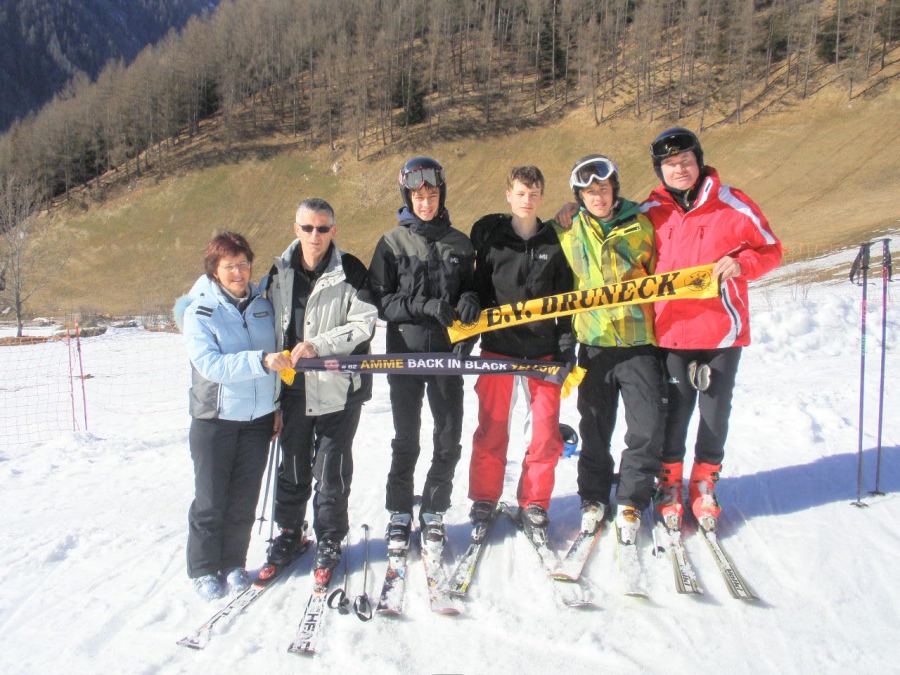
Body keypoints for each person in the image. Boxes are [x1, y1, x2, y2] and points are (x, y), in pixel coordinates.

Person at [642, 127, 781, 531]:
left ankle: (704, 483)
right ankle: (669, 484)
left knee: (715, 411)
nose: (679, 169)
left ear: (699, 161)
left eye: (686, 161)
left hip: (721, 331)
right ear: (660, 171)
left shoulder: (732, 203)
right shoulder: (650, 210)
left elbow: (771, 249)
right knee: (675, 411)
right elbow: (610, 224)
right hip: (672, 331)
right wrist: (570, 212)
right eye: (670, 164)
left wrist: (742, 264)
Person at [368, 156, 479, 551]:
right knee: (407, 438)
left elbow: (473, 292)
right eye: (418, 197)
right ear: (407, 198)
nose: (426, 203)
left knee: (448, 437)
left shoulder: (460, 244)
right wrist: (423, 305)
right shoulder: (392, 243)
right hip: (406, 355)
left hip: (448, 356)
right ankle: (400, 511)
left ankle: (433, 511)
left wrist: (470, 300)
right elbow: (381, 301)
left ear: (441, 195)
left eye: (432, 196)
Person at [553, 155, 665, 545]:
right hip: (595, 344)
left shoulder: (642, 225)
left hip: (638, 342)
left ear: (614, 188)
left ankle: (632, 498)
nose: (597, 197)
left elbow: (666, 271)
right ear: (579, 197)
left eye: (603, 188)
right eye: (589, 192)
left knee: (646, 426)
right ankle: (594, 497)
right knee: (595, 426)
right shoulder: (568, 229)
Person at [262, 198, 377, 575]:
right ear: (296, 229)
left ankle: (330, 537)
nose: (315, 235)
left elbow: (364, 324)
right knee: (293, 464)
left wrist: (319, 345)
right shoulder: (278, 272)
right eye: (308, 227)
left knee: (331, 469)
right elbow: (267, 325)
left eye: (323, 228)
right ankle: (290, 531)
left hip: (339, 389)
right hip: (293, 389)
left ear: (333, 230)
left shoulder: (351, 270)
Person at [177, 231, 292, 600]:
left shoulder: (262, 306)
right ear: (215, 270)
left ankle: (233, 563)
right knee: (211, 500)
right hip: (216, 418)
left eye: (243, 265)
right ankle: (203, 569)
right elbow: (210, 364)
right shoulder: (200, 311)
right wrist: (260, 361)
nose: (238, 273)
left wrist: (275, 405)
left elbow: (278, 356)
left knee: (244, 499)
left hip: (258, 421)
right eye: (229, 267)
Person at [467, 165, 574, 541]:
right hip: (498, 349)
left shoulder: (553, 242)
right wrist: (468, 329)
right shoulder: (493, 241)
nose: (527, 200)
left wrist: (565, 347)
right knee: (492, 429)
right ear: (508, 195)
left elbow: (567, 301)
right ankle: (484, 498)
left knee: (545, 432)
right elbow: (478, 291)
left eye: (533, 193)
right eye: (520, 193)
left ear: (541, 196)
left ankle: (535, 501)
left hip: (542, 353)